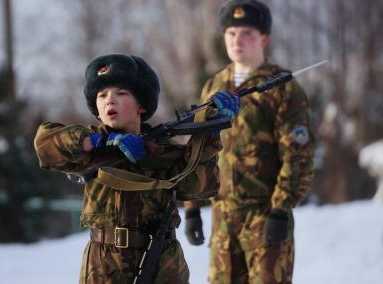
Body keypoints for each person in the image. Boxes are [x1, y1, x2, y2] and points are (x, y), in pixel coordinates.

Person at [33, 53, 240, 284]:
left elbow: (200, 189)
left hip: (162, 260)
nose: (109, 100)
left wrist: (210, 134)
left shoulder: (162, 150)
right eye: (101, 96)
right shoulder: (90, 148)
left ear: (141, 105)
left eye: (121, 93)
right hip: (106, 264)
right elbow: (45, 145)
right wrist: (100, 142)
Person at [184, 0, 315, 283]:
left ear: (263, 38)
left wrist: (281, 209)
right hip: (223, 220)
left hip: (265, 216)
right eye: (231, 34)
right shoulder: (214, 86)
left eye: (246, 33)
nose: (237, 41)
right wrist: (192, 208)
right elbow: (199, 149)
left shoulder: (282, 87)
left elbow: (298, 155)